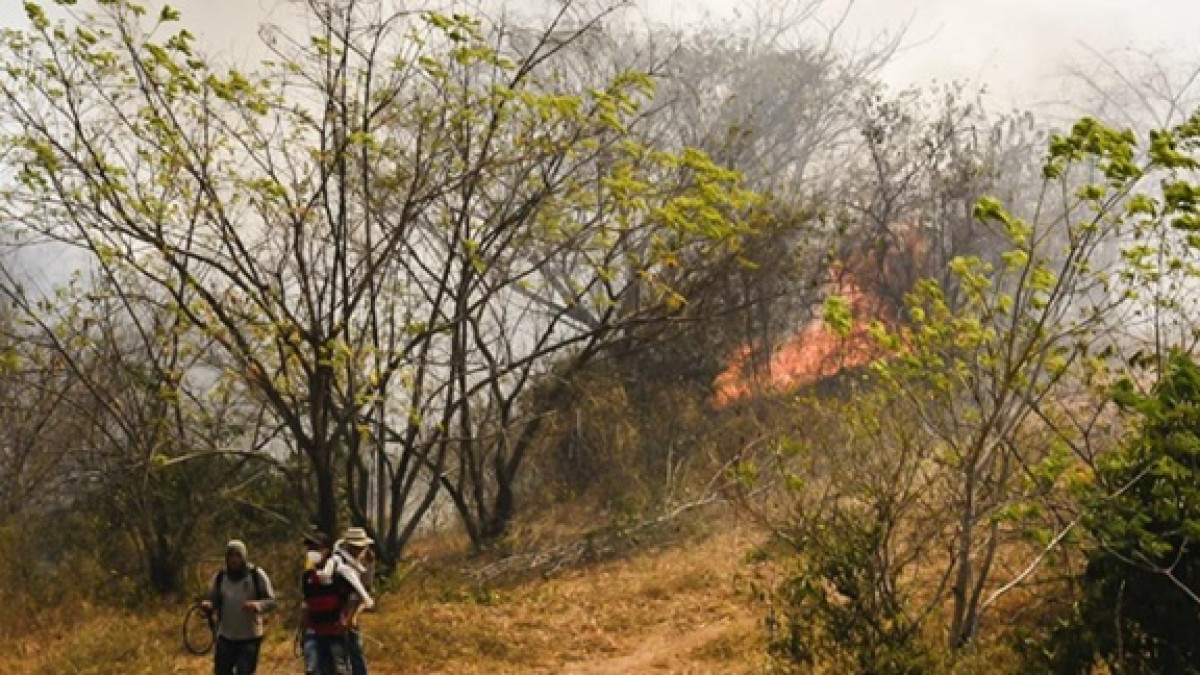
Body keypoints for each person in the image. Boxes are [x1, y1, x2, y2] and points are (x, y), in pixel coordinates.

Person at [201, 540, 277, 675]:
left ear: (244, 557)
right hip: (226, 636)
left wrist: (257, 605)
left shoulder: (256, 575)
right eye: (231, 556)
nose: (234, 559)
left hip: (249, 637)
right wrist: (209, 605)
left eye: (238, 555)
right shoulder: (220, 577)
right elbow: (214, 600)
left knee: (244, 671)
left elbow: (272, 601)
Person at [334, 527, 376, 675]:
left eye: (360, 547)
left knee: (355, 649)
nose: (358, 550)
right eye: (354, 547)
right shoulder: (336, 560)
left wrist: (353, 616)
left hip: (354, 606)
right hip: (335, 608)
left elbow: (365, 593)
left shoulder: (369, 560)